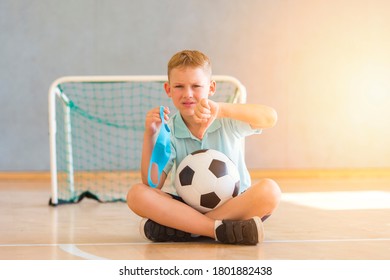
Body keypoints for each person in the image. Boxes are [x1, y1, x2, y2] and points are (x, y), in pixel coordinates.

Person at [127, 50, 281, 245]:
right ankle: (218, 230)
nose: (188, 94)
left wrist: (222, 109)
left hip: (236, 205)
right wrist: (150, 134)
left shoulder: (227, 120)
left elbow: (270, 118)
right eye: (179, 86)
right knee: (136, 194)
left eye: (196, 86)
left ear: (211, 88)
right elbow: (153, 184)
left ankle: (185, 229)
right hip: (189, 206)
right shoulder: (170, 129)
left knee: (271, 190)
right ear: (168, 89)